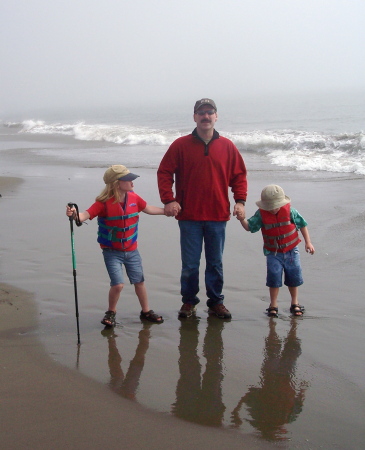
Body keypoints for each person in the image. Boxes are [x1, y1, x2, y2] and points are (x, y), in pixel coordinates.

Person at [157, 98, 248, 319]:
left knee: (215, 263)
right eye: (201, 113)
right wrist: (169, 200)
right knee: (190, 265)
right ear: (194, 117)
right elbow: (164, 172)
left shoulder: (227, 146)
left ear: (216, 116)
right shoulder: (180, 145)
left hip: (217, 216)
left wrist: (240, 201)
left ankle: (216, 302)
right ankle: (189, 302)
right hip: (189, 216)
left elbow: (239, 176)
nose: (205, 116)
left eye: (210, 112)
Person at [66, 165, 165, 327]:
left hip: (132, 250)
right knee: (118, 284)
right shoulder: (103, 203)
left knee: (139, 281)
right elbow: (85, 215)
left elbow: (148, 208)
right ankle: (111, 312)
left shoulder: (134, 198)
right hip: (112, 252)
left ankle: (146, 311)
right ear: (116, 183)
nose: (132, 182)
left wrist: (167, 211)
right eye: (128, 179)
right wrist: (74, 213)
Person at [237, 184, 315, 317]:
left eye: (276, 206)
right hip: (273, 253)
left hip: (291, 250)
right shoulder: (261, 214)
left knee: (293, 276)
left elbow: (302, 225)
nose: (273, 209)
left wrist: (308, 242)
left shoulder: (291, 211)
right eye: (270, 207)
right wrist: (242, 219)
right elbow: (249, 227)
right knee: (274, 277)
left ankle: (294, 302)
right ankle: (273, 304)